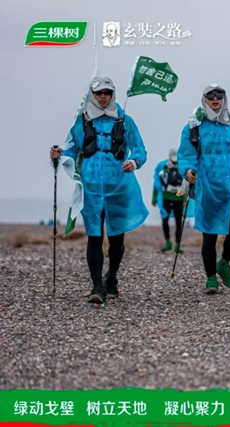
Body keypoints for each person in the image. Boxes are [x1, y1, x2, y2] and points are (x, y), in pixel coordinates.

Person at [49, 76, 148, 303]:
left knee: (116, 239)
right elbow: (70, 149)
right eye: (99, 93)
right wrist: (58, 154)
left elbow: (140, 150)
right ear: (92, 95)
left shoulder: (125, 120)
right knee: (94, 236)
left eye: (107, 93)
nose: (103, 97)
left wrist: (133, 162)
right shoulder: (81, 121)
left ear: (112, 94)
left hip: (119, 188)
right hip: (91, 189)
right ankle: (97, 287)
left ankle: (111, 277)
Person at [178, 83, 230, 294]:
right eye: (210, 96)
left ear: (224, 98)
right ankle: (211, 278)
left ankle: (224, 262)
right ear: (204, 99)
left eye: (219, 96)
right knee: (209, 234)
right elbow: (186, 154)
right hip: (207, 187)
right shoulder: (194, 125)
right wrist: (187, 170)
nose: (215, 100)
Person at [152, 148, 188, 253]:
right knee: (165, 220)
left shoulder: (183, 168)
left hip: (179, 198)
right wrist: (154, 198)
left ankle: (177, 244)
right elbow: (157, 183)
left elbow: (186, 184)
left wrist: (185, 198)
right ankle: (167, 242)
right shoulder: (163, 167)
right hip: (165, 198)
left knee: (178, 222)